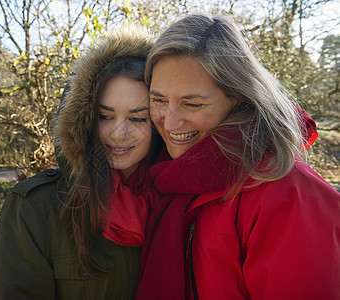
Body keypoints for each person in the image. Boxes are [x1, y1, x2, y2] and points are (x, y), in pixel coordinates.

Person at [108, 14, 339, 299]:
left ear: (239, 97)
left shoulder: (286, 192)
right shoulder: (162, 174)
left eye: (192, 104)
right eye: (158, 100)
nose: (169, 123)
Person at [0, 25, 162, 299]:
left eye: (138, 118)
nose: (119, 133)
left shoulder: (178, 201)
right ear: (85, 119)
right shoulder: (34, 207)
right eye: (105, 116)